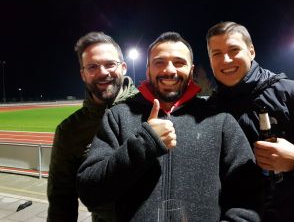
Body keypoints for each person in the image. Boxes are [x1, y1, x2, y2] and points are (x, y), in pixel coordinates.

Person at [76, 32, 263, 222]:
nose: (169, 70)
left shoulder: (220, 119)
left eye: (179, 62)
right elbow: (89, 192)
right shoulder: (118, 116)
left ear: (191, 70)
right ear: (148, 70)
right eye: (159, 62)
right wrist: (144, 143)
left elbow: (250, 198)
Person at [206, 21, 294, 222]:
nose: (226, 59)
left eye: (234, 50)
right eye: (217, 53)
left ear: (251, 51)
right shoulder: (209, 109)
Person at [47, 32, 138, 222]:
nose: (103, 72)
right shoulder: (69, 131)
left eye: (109, 64)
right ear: (83, 74)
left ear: (123, 67)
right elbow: (61, 202)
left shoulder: (151, 109)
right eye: (93, 67)